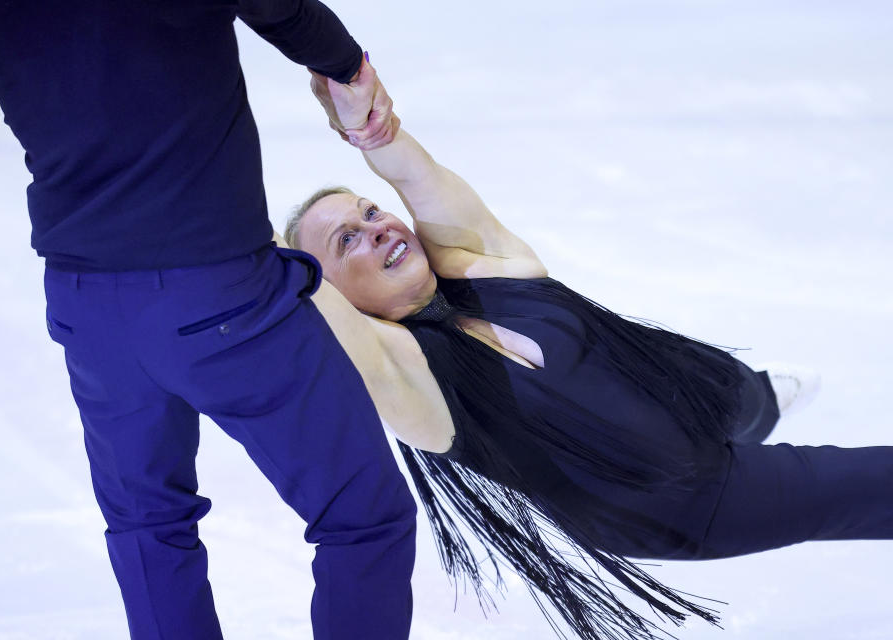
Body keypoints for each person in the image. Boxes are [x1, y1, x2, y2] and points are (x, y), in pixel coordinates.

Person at [283, 70, 893, 639]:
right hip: (682, 498)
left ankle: (760, 397)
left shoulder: (481, 260)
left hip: (688, 385)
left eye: (370, 211)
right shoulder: (407, 380)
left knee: (743, 394)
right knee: (866, 486)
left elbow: (416, 177)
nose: (378, 228)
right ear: (334, 297)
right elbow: (285, 287)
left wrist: (367, 121)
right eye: (347, 241)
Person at [0, 2, 417, 639]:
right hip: (218, 291)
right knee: (363, 517)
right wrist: (345, 68)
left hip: (88, 308)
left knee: (149, 530)